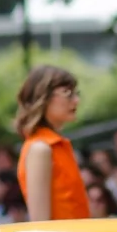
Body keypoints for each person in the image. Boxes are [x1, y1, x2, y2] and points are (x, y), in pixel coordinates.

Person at [15, 65, 90, 221]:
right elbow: (41, 224)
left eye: (76, 93)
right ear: (43, 97)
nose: (76, 100)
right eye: (67, 93)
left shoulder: (55, 145)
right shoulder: (40, 149)